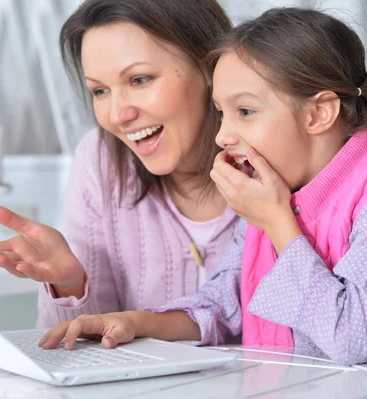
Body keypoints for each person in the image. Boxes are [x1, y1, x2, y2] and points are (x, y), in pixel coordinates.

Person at [38, 8, 367, 366]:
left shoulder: (297, 205)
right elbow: (223, 304)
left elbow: (352, 339)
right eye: (221, 113)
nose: (223, 136)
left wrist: (278, 223)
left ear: (318, 113)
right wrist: (136, 321)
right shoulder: (270, 193)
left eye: (245, 111)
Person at [0, 0, 238, 327]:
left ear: (210, 67)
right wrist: (69, 285)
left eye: (140, 79)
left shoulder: (280, 158)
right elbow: (76, 348)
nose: (117, 115)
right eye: (99, 91)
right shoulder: (101, 162)